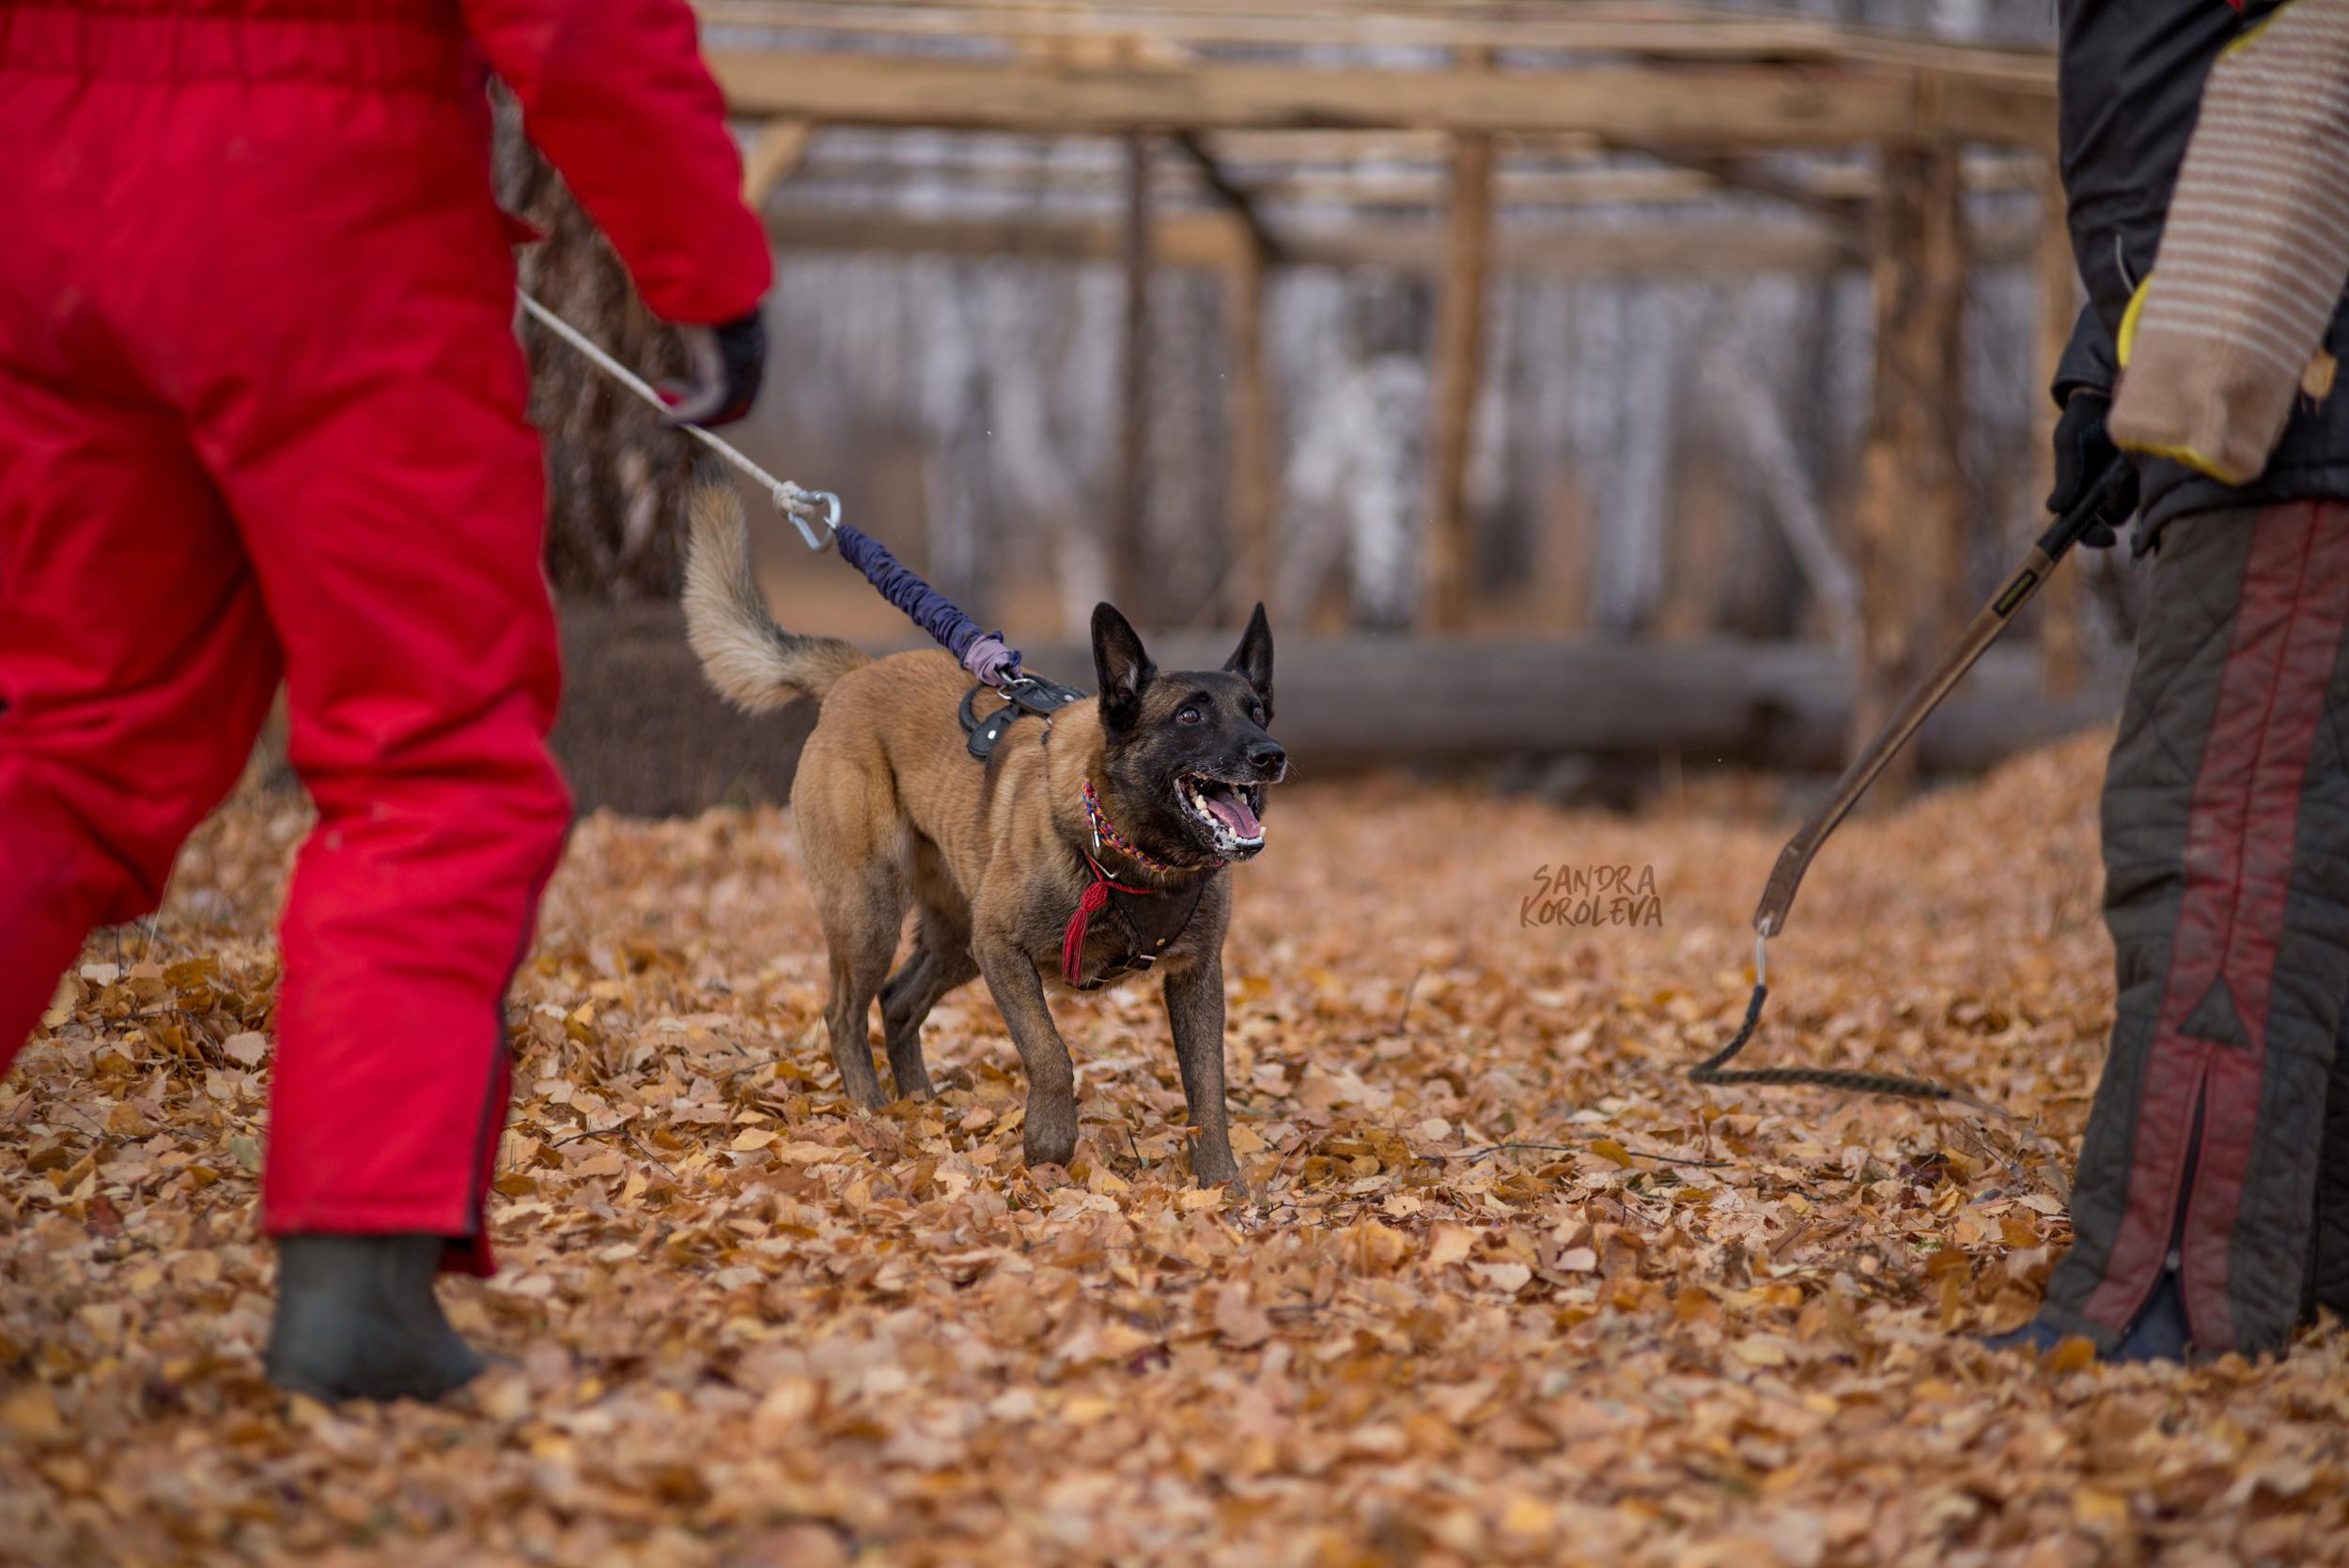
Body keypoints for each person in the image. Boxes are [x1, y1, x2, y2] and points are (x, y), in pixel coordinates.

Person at [0, 0, 770, 1401]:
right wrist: (705, 269)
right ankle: (356, 1285)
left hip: (44, 190)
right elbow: (585, 25)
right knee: (432, 765)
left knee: (69, 742)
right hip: (329, 187)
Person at [1993, 0, 2349, 1361]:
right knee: (2291, 835)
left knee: (2217, 833)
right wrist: (2106, 375)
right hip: (2242, 383)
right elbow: (2186, 133)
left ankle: (2178, 1291)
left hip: (2296, 403)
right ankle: (2312, 1257)